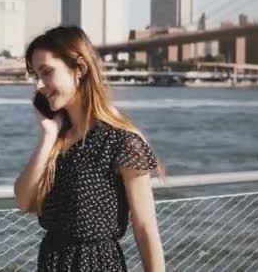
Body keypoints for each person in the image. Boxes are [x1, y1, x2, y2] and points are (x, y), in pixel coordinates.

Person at [14, 26, 165, 272]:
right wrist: (48, 136)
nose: (38, 85)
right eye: (35, 76)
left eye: (47, 72)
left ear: (79, 69)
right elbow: (22, 201)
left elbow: (145, 227)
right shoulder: (59, 137)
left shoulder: (121, 140)